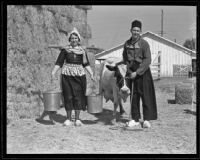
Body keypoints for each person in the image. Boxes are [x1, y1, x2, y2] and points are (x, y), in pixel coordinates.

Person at [51, 28, 94, 126]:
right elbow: (59, 62)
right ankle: (68, 119)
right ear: (69, 40)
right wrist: (53, 72)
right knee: (68, 96)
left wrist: (91, 73)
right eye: (72, 38)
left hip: (79, 76)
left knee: (78, 96)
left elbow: (86, 64)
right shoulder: (65, 50)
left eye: (76, 38)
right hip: (67, 76)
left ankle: (77, 119)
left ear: (78, 40)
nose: (74, 40)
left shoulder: (82, 51)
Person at [123, 20, 157, 128]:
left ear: (140, 31)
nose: (136, 32)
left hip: (143, 72)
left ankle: (146, 119)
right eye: (134, 30)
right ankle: (135, 119)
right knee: (134, 96)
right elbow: (125, 59)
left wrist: (137, 72)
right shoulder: (126, 44)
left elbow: (147, 60)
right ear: (130, 30)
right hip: (131, 72)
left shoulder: (144, 44)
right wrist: (129, 71)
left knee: (146, 96)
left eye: (138, 30)